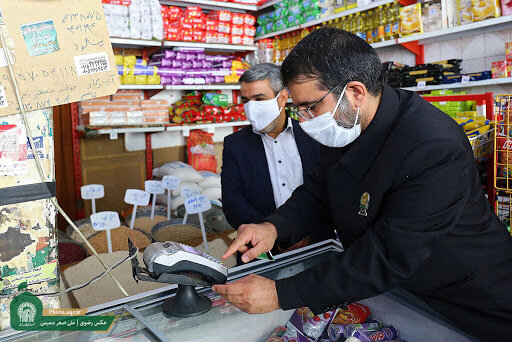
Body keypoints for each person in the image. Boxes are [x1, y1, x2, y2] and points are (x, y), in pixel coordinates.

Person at [213, 28, 512, 340]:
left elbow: (389, 254)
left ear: (355, 92)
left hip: (467, 297)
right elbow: (320, 191)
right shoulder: (347, 122)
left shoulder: (432, 145)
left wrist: (281, 293)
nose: (303, 120)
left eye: (310, 106)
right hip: (399, 290)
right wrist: (274, 227)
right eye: (298, 109)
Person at [221, 63, 333, 255]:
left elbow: (328, 190)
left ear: (281, 98)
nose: (251, 107)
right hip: (262, 252)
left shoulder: (313, 135)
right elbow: (233, 203)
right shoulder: (235, 144)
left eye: (259, 98)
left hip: (316, 245)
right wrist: (271, 236)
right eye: (246, 100)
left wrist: (308, 234)